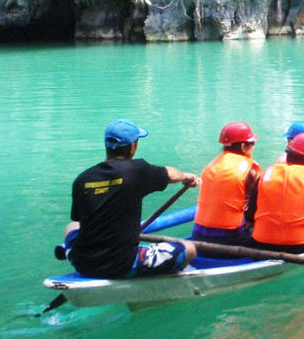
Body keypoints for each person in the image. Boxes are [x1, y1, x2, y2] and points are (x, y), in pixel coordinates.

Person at [62, 119, 200, 279]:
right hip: (122, 264)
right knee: (189, 248)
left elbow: (80, 220)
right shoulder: (137, 171)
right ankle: (168, 275)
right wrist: (186, 177)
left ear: (107, 145)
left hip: (82, 263)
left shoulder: (83, 179)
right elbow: (170, 174)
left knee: (71, 226)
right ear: (133, 147)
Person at [191, 121, 262, 247]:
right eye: (252, 143)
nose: (254, 147)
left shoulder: (211, 166)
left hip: (198, 235)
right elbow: (261, 203)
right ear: (243, 146)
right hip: (230, 239)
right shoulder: (249, 171)